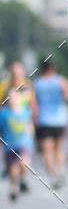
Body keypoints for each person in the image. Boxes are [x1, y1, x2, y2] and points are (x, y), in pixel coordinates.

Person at [0, 61, 37, 191]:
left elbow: (32, 105)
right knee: (11, 159)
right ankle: (13, 183)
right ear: (10, 73)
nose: (16, 74)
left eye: (19, 71)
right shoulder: (3, 87)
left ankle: (23, 178)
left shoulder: (28, 86)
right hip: (7, 125)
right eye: (14, 72)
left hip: (23, 125)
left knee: (23, 158)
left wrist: (32, 123)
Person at [34, 59, 68, 189]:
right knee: (58, 148)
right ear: (53, 68)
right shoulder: (61, 81)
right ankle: (60, 171)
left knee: (46, 150)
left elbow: (34, 104)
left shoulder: (37, 83)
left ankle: (54, 175)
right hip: (59, 119)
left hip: (44, 120)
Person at [0, 88, 34, 201]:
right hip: (9, 145)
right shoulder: (4, 113)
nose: (12, 99)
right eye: (10, 97)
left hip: (23, 143)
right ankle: (14, 188)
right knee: (13, 169)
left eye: (14, 97)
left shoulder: (25, 110)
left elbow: (29, 124)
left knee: (24, 163)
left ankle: (23, 179)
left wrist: (30, 134)